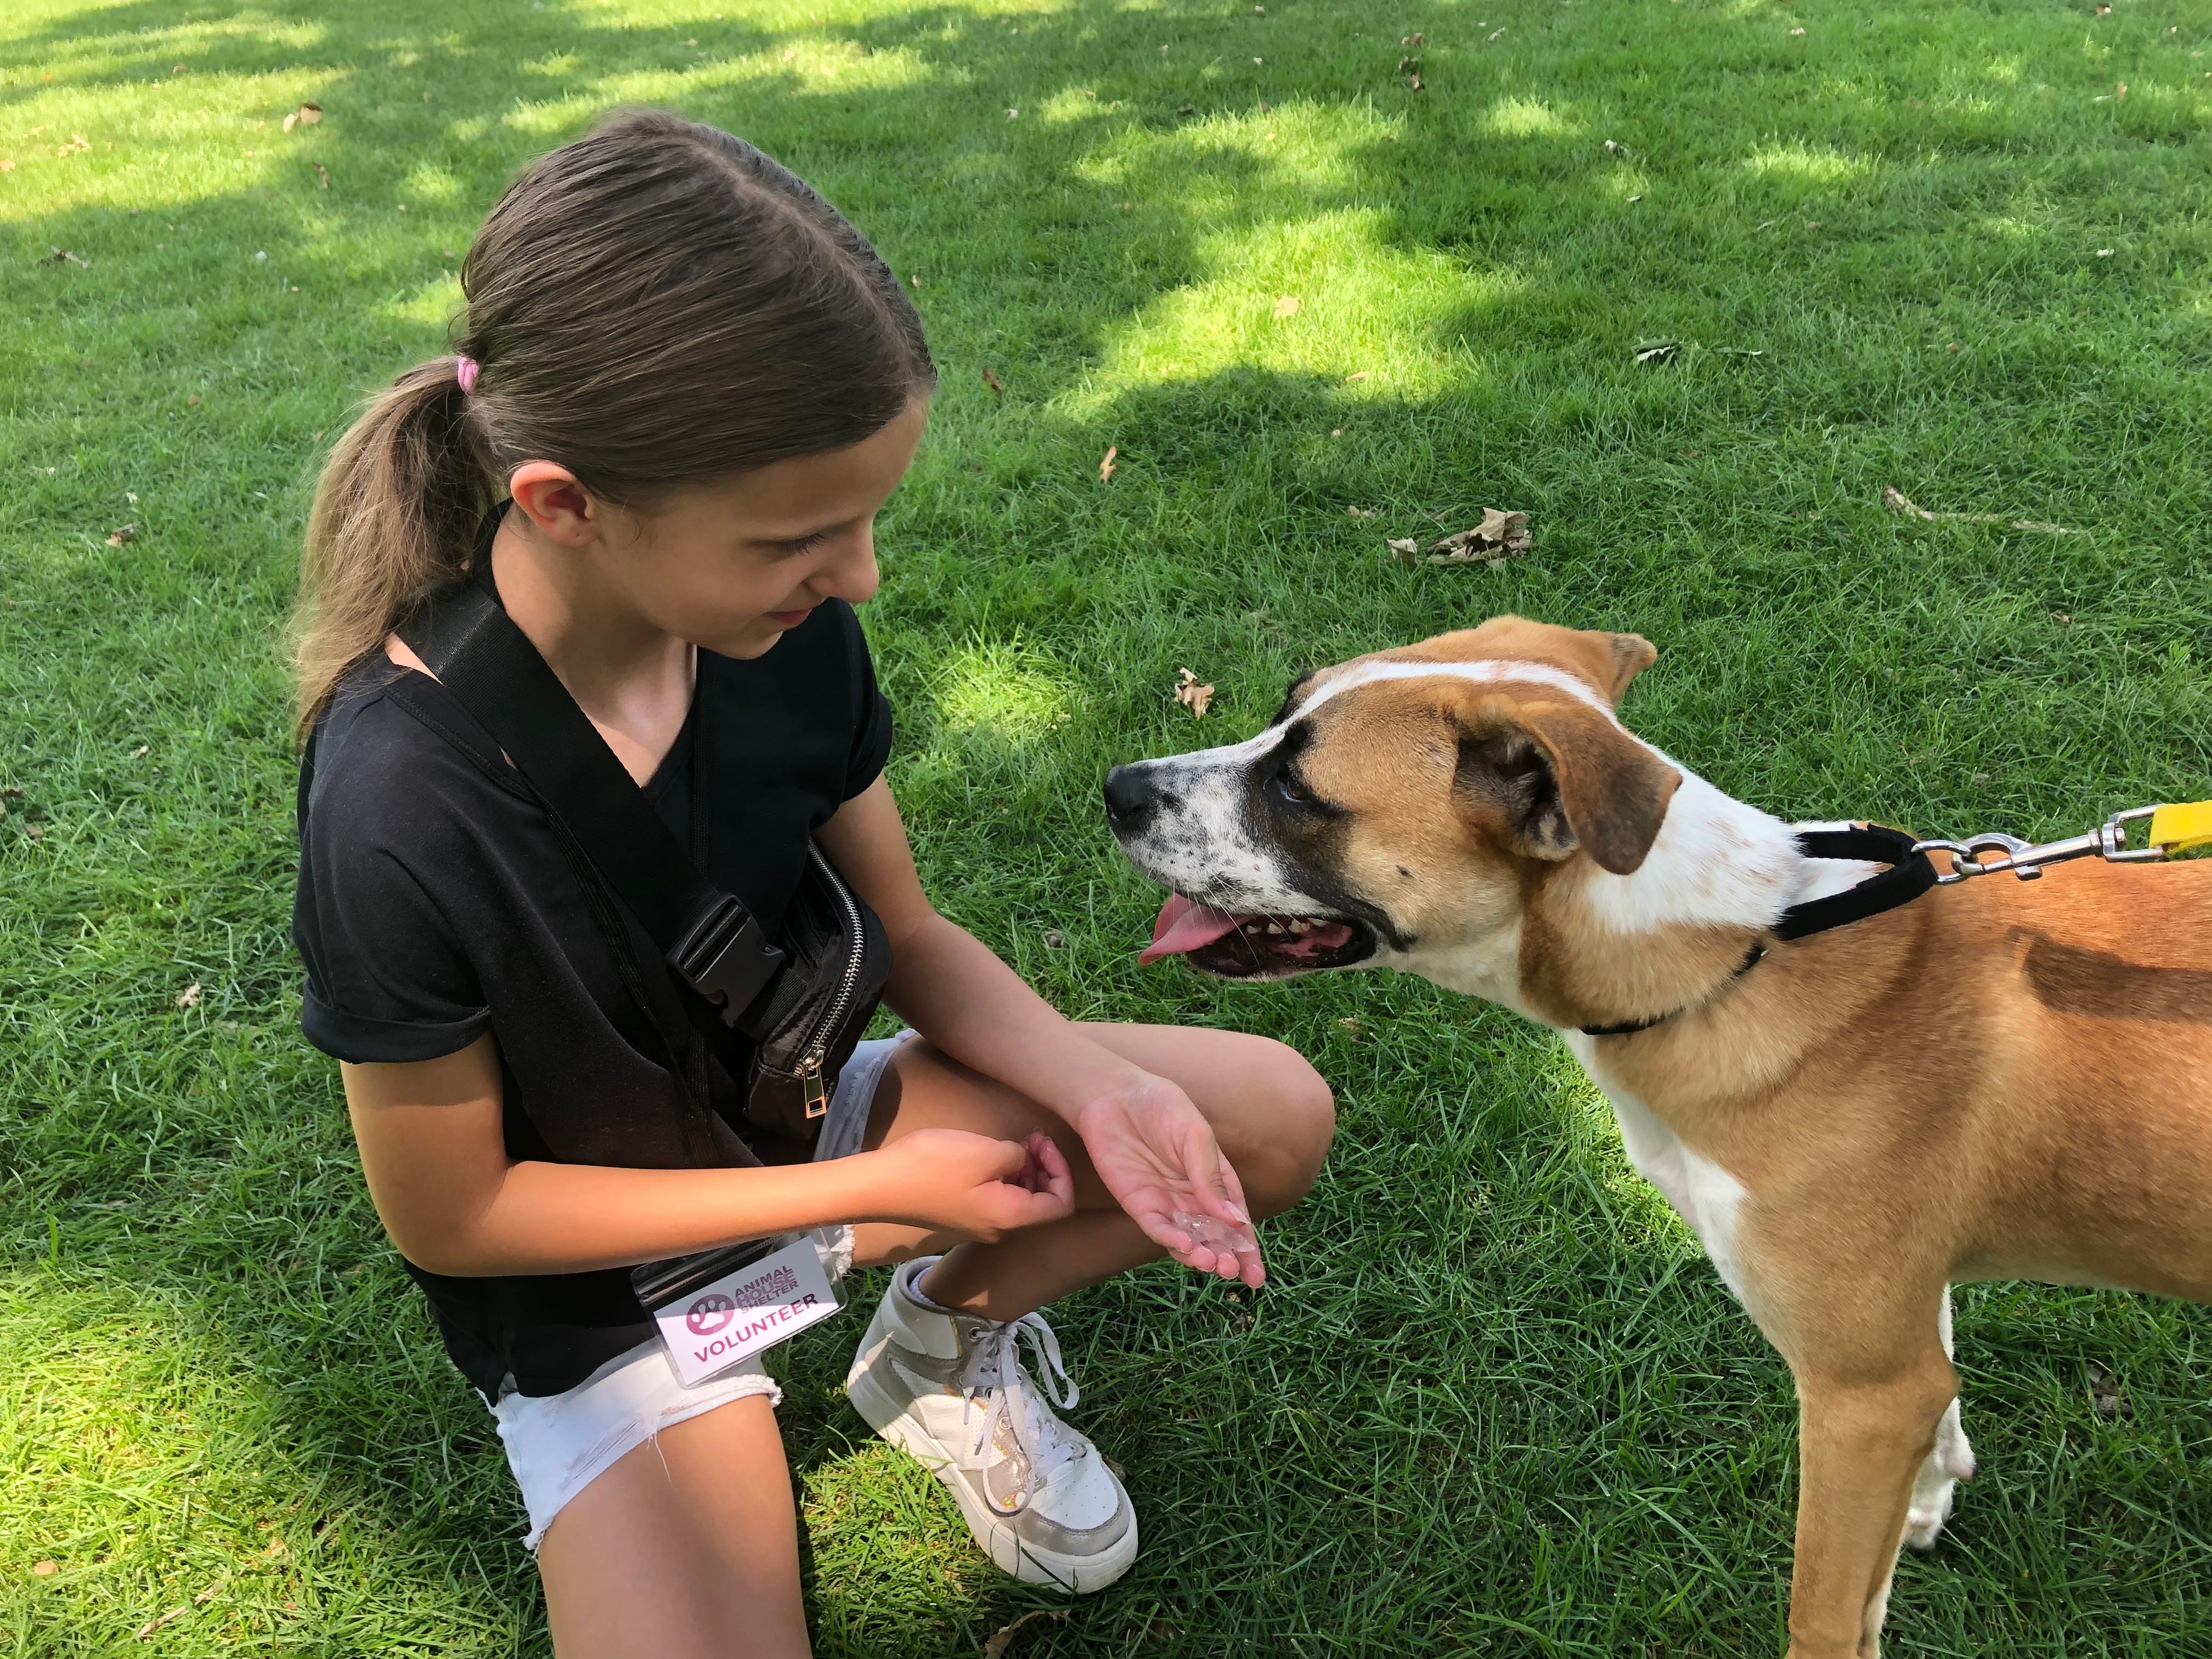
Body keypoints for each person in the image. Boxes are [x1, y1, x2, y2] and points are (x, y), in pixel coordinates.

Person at [289, 109, 1335, 1658]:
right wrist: (868, 1199)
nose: (860, 579)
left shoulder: (779, 635)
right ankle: (764, 1359)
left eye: (865, 519)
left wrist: (1092, 1091)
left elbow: (906, 933)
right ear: (565, 503)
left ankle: (940, 1347)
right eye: (800, 536)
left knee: (1265, 1117)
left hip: (809, 1135)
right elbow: (461, 1214)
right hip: (612, 1291)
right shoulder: (394, 800)